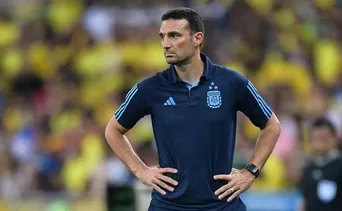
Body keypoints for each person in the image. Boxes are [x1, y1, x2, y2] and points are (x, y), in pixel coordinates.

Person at [105, 7, 281, 211]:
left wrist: (250, 171)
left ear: (197, 38)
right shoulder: (150, 88)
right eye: (162, 37)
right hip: (169, 206)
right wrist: (141, 171)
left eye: (174, 35)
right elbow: (113, 130)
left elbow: (271, 125)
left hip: (222, 206)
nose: (166, 44)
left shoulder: (231, 83)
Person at [299, 117, 342, 211]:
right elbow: (305, 201)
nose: (319, 143)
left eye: (323, 139)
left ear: (334, 138)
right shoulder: (308, 167)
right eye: (316, 138)